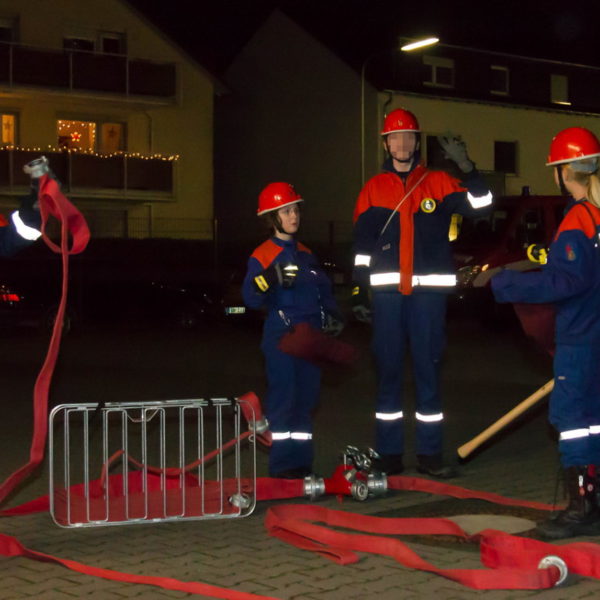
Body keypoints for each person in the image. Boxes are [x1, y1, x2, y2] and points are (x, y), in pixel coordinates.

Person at [352, 108, 492, 478]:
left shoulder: (439, 182)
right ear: (386, 143)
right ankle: (389, 456)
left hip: (428, 297)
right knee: (388, 374)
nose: (402, 143)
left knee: (428, 373)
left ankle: (430, 457)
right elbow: (362, 247)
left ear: (417, 142)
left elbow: (483, 206)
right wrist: (356, 292)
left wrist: (468, 167)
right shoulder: (373, 189)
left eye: (409, 136)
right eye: (395, 137)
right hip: (387, 299)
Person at [491, 126, 600, 539]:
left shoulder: (578, 219)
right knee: (594, 421)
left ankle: (579, 508)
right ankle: (594, 501)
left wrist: (506, 285)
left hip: (579, 338)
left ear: (562, 171)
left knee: (572, 420)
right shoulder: (598, 217)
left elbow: (567, 283)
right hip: (597, 334)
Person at [242, 182, 341, 479]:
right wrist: (270, 277)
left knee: (306, 401)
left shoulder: (306, 253)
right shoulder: (262, 255)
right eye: (286, 211)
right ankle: (283, 469)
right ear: (272, 217)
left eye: (296, 209)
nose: (294, 216)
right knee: (284, 402)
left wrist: (335, 317)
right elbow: (250, 297)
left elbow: (323, 291)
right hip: (281, 337)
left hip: (310, 337)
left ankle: (301, 465)